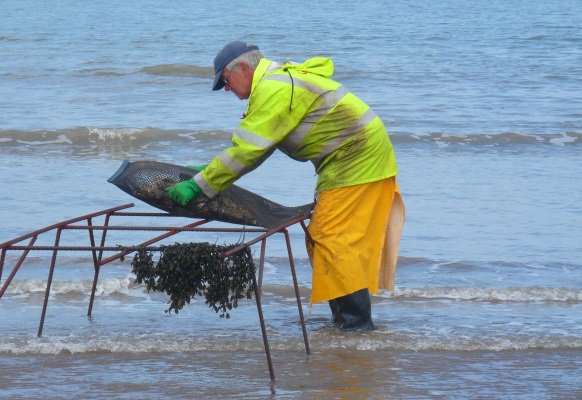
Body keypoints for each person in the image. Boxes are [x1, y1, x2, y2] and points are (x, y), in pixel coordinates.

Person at [166, 41, 405, 330]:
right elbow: (257, 146)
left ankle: (357, 327)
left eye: (225, 82)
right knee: (324, 237)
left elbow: (248, 151)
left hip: (357, 161)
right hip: (348, 161)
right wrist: (209, 171)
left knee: (331, 238)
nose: (226, 89)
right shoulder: (276, 82)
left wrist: (200, 185)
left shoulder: (272, 87)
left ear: (243, 68)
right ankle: (344, 321)